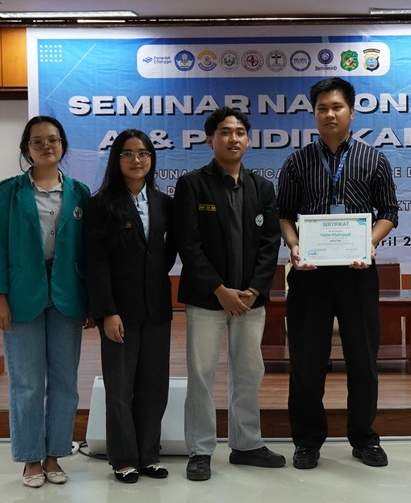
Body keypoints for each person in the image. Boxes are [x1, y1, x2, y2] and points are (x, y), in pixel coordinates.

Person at [277, 77, 398, 470]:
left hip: (357, 272)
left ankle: (364, 438)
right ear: (314, 114)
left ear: (351, 111)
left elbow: (389, 213)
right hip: (309, 273)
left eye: (337, 107)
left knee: (362, 359)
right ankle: (307, 440)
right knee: (306, 360)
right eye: (322, 108)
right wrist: (294, 246)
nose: (329, 114)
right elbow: (284, 215)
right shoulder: (296, 162)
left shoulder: (374, 159)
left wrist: (368, 243)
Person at [174, 107, 285, 481]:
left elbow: (270, 243)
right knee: (201, 374)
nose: (233, 138)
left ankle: (246, 444)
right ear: (210, 140)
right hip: (207, 298)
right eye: (224, 132)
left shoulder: (262, 187)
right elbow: (188, 244)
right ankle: (200, 450)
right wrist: (219, 289)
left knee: (249, 372)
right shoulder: (192, 184)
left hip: (250, 301)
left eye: (239, 132)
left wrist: (254, 289)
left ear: (248, 140)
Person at [0, 116, 91, 488]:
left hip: (67, 295)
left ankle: (54, 455)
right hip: (21, 294)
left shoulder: (80, 192)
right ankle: (31, 458)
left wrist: (91, 302)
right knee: (27, 382)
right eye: (38, 141)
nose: (47, 146)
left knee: (65, 383)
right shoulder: (8, 191)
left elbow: (88, 252)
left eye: (53, 139)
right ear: (26, 148)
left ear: (63, 145)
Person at [85, 129, 177, 483]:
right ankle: (123, 459)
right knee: (120, 390)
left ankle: (148, 456)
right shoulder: (101, 205)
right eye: (128, 153)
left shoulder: (164, 203)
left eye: (143, 153)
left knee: (154, 387)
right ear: (116, 159)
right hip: (118, 313)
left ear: (152, 158)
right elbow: (96, 262)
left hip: (157, 308)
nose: (136, 160)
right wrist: (107, 311)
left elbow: (167, 252)